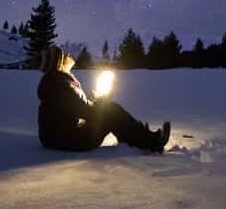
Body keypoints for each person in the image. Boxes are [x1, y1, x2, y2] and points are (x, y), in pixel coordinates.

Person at [36, 46, 170, 153]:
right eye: (64, 54)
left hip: (61, 138)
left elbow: (77, 108)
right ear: (59, 63)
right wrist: (101, 102)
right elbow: (87, 112)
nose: (68, 55)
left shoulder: (56, 82)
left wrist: (96, 101)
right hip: (71, 140)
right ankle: (151, 142)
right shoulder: (60, 85)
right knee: (112, 110)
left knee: (109, 110)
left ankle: (136, 137)